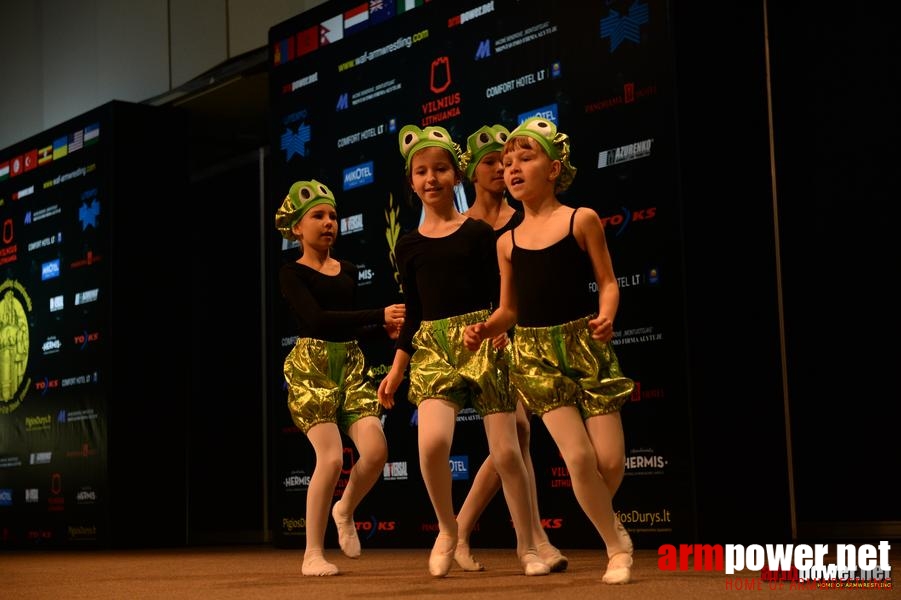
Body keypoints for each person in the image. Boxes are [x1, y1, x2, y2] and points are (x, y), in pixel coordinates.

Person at [463, 117, 635, 585]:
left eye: (526, 158)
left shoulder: (581, 219)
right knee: (577, 459)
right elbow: (509, 309)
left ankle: (605, 518)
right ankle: (616, 546)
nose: (512, 168)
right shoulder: (507, 242)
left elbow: (608, 281)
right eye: (507, 162)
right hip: (535, 355)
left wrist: (607, 314)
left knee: (609, 464)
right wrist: (484, 327)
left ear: (554, 168)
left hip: (585, 346)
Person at [377, 124, 549, 578]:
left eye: (439, 170)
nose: (430, 178)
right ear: (411, 182)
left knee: (509, 452)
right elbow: (413, 311)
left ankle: (528, 546)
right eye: (420, 172)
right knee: (432, 443)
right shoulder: (408, 244)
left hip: (484, 339)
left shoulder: (476, 233)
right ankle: (448, 529)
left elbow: (500, 294)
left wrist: (500, 330)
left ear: (457, 176)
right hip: (434, 346)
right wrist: (397, 367)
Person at [275, 179, 405, 577]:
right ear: (297, 227)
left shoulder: (347, 270)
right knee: (330, 458)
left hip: (349, 365)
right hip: (311, 368)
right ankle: (312, 553)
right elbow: (316, 320)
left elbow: (346, 327)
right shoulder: (291, 273)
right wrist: (377, 315)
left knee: (377, 451)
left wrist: (380, 328)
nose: (328, 222)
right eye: (317, 216)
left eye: (332, 215)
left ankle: (344, 508)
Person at [453, 124, 567, 573]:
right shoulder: (462, 228)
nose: (501, 170)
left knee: (516, 439)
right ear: (471, 175)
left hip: (520, 334)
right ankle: (530, 540)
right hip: (480, 336)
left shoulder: (523, 217)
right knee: (513, 437)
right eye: (489, 163)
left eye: (505, 162)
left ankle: (462, 532)